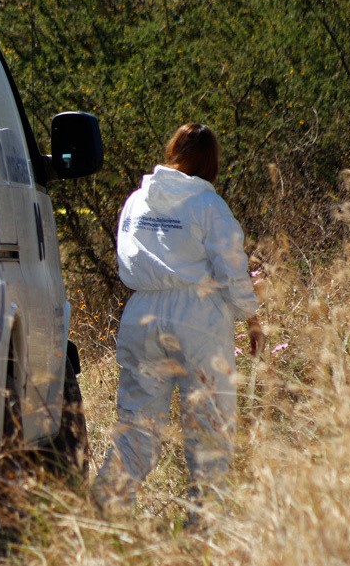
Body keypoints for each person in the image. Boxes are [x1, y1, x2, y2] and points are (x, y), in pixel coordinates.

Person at [93, 123, 265, 512]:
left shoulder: (138, 200)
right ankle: (202, 527)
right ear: (212, 162)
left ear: (173, 151)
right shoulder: (208, 206)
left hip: (142, 312)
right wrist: (251, 316)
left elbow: (129, 254)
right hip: (198, 316)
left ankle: (106, 509)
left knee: (137, 421)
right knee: (209, 422)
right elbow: (232, 269)